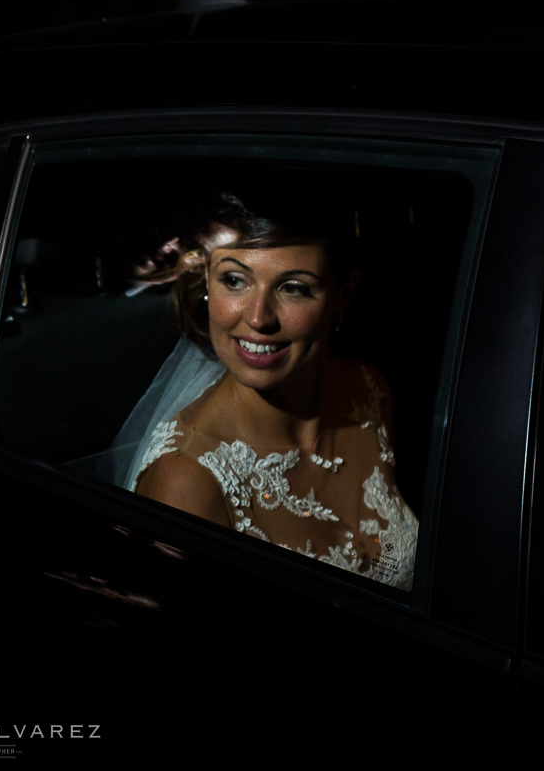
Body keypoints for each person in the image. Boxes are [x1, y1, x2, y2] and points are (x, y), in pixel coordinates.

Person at [114, 189, 417, 591]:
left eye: (293, 288)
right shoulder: (186, 482)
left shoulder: (368, 390)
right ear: (207, 281)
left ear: (344, 295)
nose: (258, 318)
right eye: (235, 280)